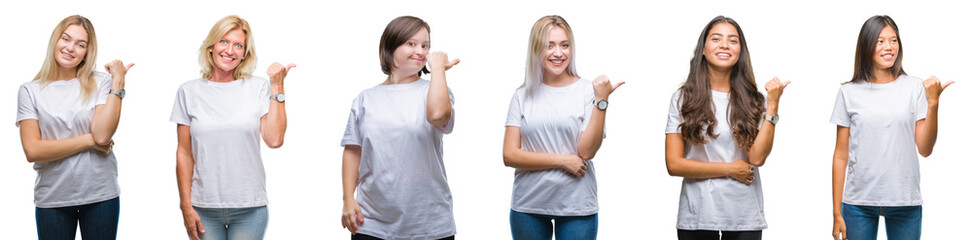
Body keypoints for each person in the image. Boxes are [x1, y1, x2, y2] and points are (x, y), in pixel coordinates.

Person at [664, 16, 788, 240]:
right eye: (716, 39)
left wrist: (772, 106)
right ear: (703, 49)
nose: (724, 45)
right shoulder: (683, 98)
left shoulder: (754, 100)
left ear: (740, 51)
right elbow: (674, 164)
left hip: (744, 215)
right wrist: (730, 169)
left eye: (733, 40)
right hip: (698, 216)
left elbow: (757, 158)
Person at [171, 15, 293, 240]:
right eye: (224, 41)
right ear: (211, 46)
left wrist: (278, 86)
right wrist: (185, 205)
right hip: (203, 207)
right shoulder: (188, 91)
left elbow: (274, 139)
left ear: (245, 53)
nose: (230, 50)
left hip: (250, 208)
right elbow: (184, 153)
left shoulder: (258, 87)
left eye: (238, 45)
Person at [830, 15, 953, 240]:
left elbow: (925, 149)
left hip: (904, 200)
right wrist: (837, 212)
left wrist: (933, 104)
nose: (889, 47)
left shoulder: (914, 87)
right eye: (880, 41)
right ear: (866, 45)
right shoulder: (848, 92)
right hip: (858, 203)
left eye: (893, 40)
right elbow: (840, 155)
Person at [502, 15, 623, 240]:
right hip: (528, 205)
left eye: (564, 45)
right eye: (549, 46)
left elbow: (586, 151)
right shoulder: (522, 95)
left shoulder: (587, 91)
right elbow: (510, 155)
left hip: (576, 205)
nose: (558, 53)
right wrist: (563, 161)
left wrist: (602, 101)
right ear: (536, 49)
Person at [340, 16, 458, 240]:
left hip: (429, 225)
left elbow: (437, 115)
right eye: (411, 43)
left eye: (425, 45)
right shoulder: (365, 99)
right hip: (371, 222)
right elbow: (353, 150)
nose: (420, 51)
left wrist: (438, 69)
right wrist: (348, 199)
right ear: (390, 47)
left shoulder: (435, 90)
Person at [17, 15, 133, 240]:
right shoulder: (30, 91)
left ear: (87, 52)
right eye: (66, 39)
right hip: (53, 197)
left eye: (80, 45)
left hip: (100, 195)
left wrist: (118, 82)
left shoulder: (102, 82)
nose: (70, 48)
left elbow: (102, 135)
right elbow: (33, 150)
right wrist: (89, 141)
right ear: (55, 40)